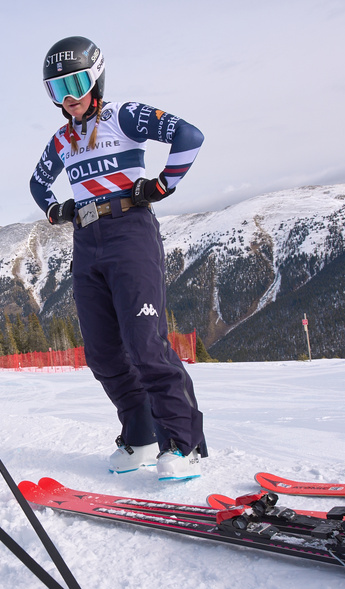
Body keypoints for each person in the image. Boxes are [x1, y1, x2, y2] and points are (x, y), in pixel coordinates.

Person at [29, 36, 207, 481]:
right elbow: (37, 184)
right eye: (57, 90)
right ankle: (141, 437)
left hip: (130, 233)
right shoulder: (62, 140)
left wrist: (161, 185)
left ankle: (183, 445)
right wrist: (56, 209)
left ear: (97, 78)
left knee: (145, 344)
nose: (69, 98)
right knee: (103, 351)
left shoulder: (123, 116)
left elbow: (189, 136)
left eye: (76, 83)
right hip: (86, 241)